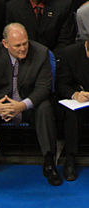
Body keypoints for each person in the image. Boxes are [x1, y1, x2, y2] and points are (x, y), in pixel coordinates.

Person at [0, 22, 62, 186]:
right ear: (5, 44)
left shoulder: (41, 53)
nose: (23, 48)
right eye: (17, 45)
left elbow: (44, 88)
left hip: (28, 104)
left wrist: (21, 106)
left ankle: (49, 163)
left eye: (25, 43)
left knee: (45, 107)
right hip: (0, 104)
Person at [56, 38, 89, 181]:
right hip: (80, 102)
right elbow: (61, 84)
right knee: (71, 114)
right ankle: (70, 159)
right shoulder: (70, 53)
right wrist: (74, 94)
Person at [6, 0, 76, 58]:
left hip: (55, 60)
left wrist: (50, 60)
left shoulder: (64, 5)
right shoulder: (13, 7)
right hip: (23, 60)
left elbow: (65, 41)